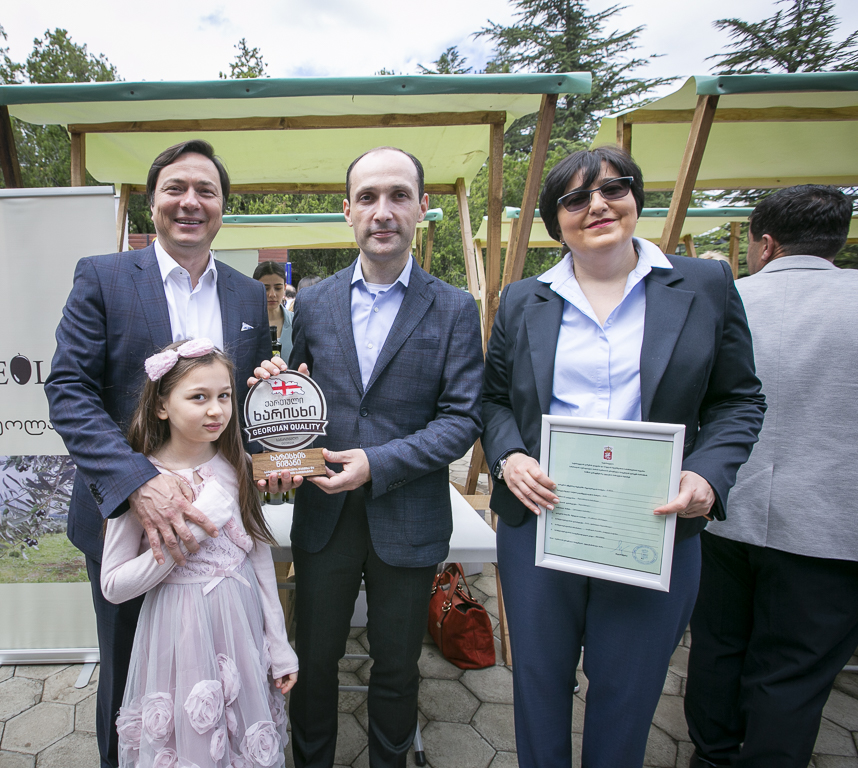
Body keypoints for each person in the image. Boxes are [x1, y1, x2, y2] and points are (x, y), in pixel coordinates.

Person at [481, 145, 766, 768]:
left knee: (628, 692)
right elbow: (494, 399)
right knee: (538, 685)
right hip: (542, 520)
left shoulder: (705, 284)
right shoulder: (523, 299)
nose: (598, 206)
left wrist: (708, 473)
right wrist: (509, 457)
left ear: (636, 197)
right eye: (576, 198)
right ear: (556, 222)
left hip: (653, 523)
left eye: (614, 188)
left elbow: (739, 399)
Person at [45, 139, 274, 768]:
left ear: (223, 207)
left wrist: (277, 418)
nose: (190, 202)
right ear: (152, 203)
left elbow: (240, 409)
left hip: (217, 538)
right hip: (129, 527)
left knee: (219, 679)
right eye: (175, 188)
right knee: (128, 683)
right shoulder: (104, 276)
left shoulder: (246, 295)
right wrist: (137, 482)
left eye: (206, 190)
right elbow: (68, 389)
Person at [252, 146, 484, 768]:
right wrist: (276, 393)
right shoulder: (313, 303)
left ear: (421, 207)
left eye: (398, 195)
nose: (383, 211)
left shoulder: (454, 307)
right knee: (313, 659)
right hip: (324, 516)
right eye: (368, 197)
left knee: (397, 665)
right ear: (347, 211)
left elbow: (463, 418)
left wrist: (379, 463)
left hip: (408, 515)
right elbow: (298, 395)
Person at [684, 185, 858, 768]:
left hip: (718, 510)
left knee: (716, 646)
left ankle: (711, 755)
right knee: (795, 669)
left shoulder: (716, 301)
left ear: (765, 244)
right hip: (833, 525)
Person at [101, 339, 298, 767]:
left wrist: (279, 644)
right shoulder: (142, 482)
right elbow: (113, 585)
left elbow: (257, 556)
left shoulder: (236, 463)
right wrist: (192, 527)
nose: (216, 410)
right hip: (178, 631)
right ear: (161, 406)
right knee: (192, 736)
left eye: (224, 395)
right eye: (199, 397)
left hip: (240, 622)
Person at [253, 261, 293, 361]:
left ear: (284, 288)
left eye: (278, 288)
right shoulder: (246, 324)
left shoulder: (296, 321)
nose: (272, 294)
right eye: (265, 288)